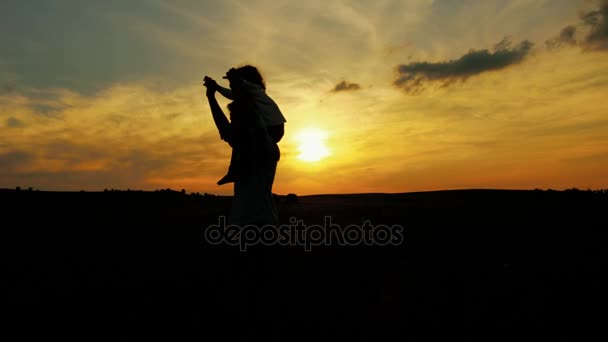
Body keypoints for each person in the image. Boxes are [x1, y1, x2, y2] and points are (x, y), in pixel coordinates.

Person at [203, 65, 283, 226]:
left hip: (257, 227)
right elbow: (228, 132)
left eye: (235, 86)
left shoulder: (261, 140)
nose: (232, 92)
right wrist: (212, 96)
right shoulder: (245, 146)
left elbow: (238, 124)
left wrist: (232, 84)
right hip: (249, 225)